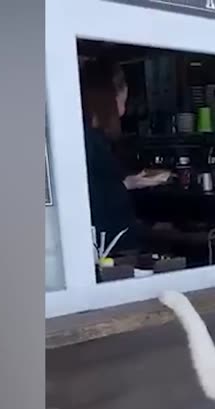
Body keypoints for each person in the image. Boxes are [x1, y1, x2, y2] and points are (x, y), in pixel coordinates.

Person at [79, 58, 171, 259]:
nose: (124, 104)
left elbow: (98, 186)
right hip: (111, 251)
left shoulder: (90, 136)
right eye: (122, 97)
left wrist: (128, 183)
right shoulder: (88, 140)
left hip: (113, 248)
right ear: (112, 95)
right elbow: (92, 198)